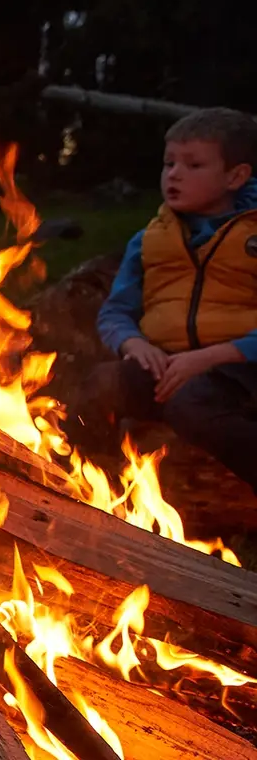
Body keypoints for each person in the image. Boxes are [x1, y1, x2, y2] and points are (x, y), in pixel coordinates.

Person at [78, 106, 257, 491]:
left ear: (236, 176)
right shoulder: (150, 240)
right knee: (97, 385)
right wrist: (134, 343)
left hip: (240, 367)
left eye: (193, 165)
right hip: (167, 365)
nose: (174, 174)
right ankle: (92, 491)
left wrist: (212, 356)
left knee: (191, 405)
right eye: (169, 162)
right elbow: (117, 310)